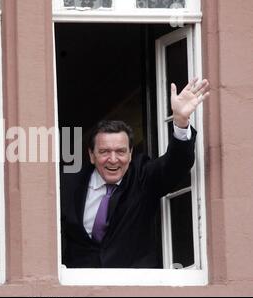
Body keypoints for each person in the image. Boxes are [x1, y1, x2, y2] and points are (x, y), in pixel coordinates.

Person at [61, 78, 210, 268]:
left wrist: (180, 122)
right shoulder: (68, 184)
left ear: (130, 154)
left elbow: (175, 164)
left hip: (135, 287)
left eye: (121, 151)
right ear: (91, 155)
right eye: (105, 152)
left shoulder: (142, 176)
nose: (113, 159)